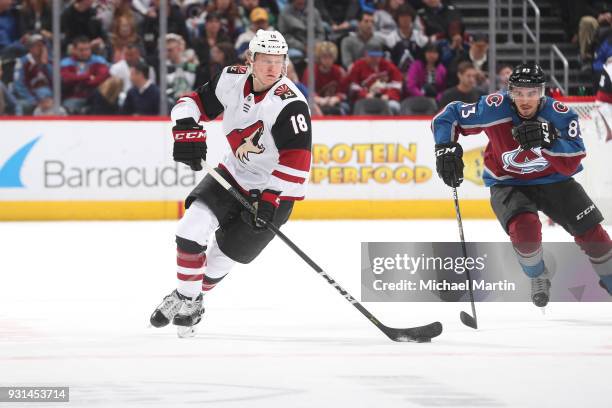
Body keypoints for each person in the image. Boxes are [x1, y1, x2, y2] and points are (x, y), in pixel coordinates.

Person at [150, 30, 312, 337]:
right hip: (233, 173)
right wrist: (185, 125)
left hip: (274, 190)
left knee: (221, 258)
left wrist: (270, 199)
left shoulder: (291, 104)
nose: (272, 68)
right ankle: (186, 298)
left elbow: (298, 162)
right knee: (189, 230)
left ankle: (190, 296)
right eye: (265, 60)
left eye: (279, 61)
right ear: (250, 59)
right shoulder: (230, 79)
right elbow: (191, 102)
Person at [431, 63, 612, 308]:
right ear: (509, 91)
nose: (525, 100)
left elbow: (574, 158)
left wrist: (550, 142)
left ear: (543, 92)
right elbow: (449, 115)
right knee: (524, 231)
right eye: (518, 93)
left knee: (593, 234)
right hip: (508, 182)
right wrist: (445, 147)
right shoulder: (493, 108)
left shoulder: (560, 114)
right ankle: (538, 275)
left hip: (555, 181)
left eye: (532, 93)